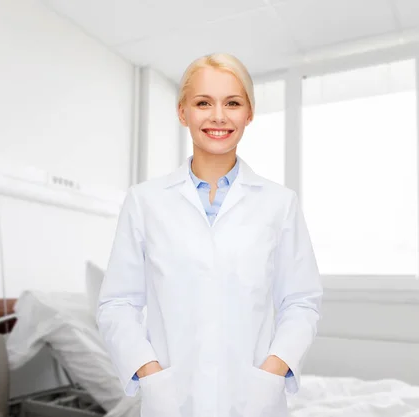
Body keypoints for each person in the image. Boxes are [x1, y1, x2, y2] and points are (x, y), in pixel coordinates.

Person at [96, 53, 323, 417]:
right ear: (182, 111)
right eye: (203, 103)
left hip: (254, 399)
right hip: (172, 399)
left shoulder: (280, 204)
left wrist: (273, 372)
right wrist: (149, 373)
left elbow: (301, 302)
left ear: (249, 113)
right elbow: (117, 303)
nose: (218, 116)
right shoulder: (145, 202)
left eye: (232, 103)